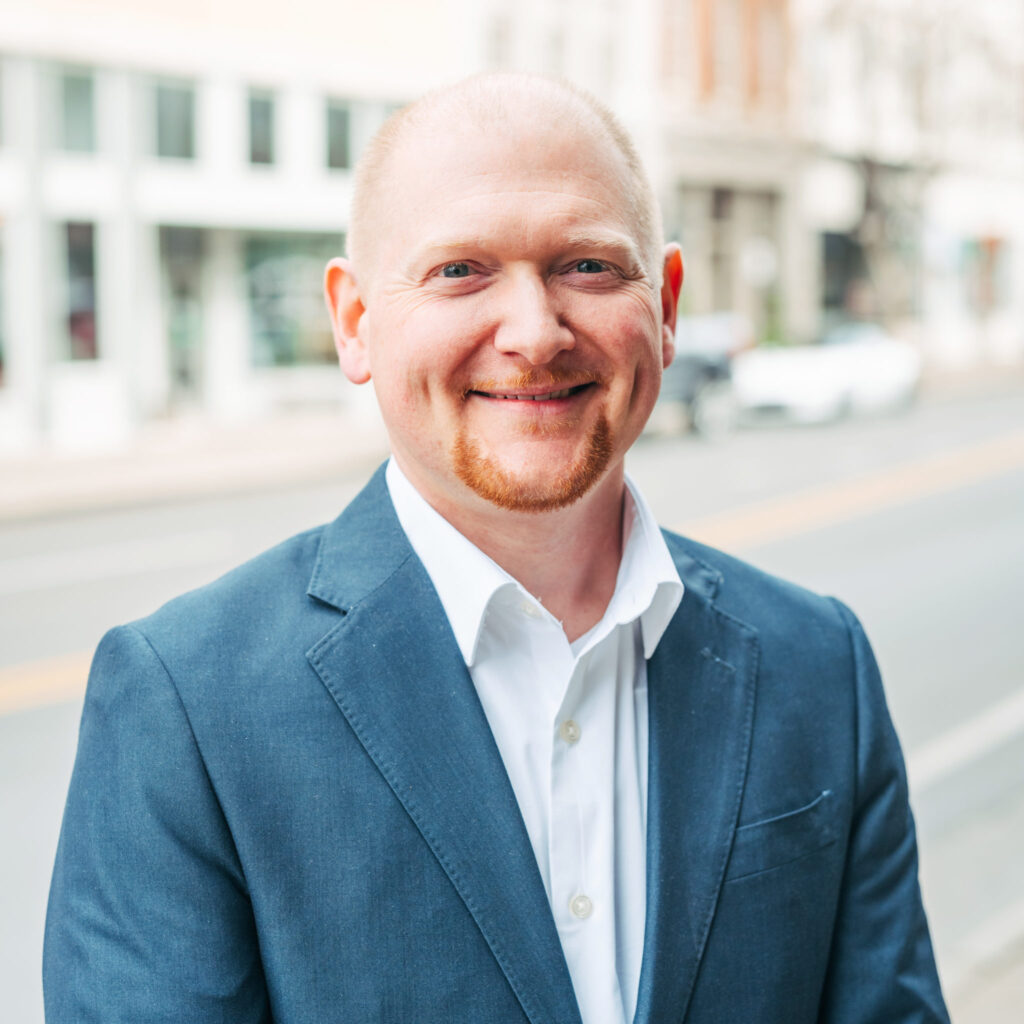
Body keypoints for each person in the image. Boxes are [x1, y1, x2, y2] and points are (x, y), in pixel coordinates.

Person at [43, 74, 949, 1024]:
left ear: (669, 305)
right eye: (460, 271)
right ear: (355, 322)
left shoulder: (819, 665)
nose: (534, 333)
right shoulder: (185, 702)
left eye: (589, 267)